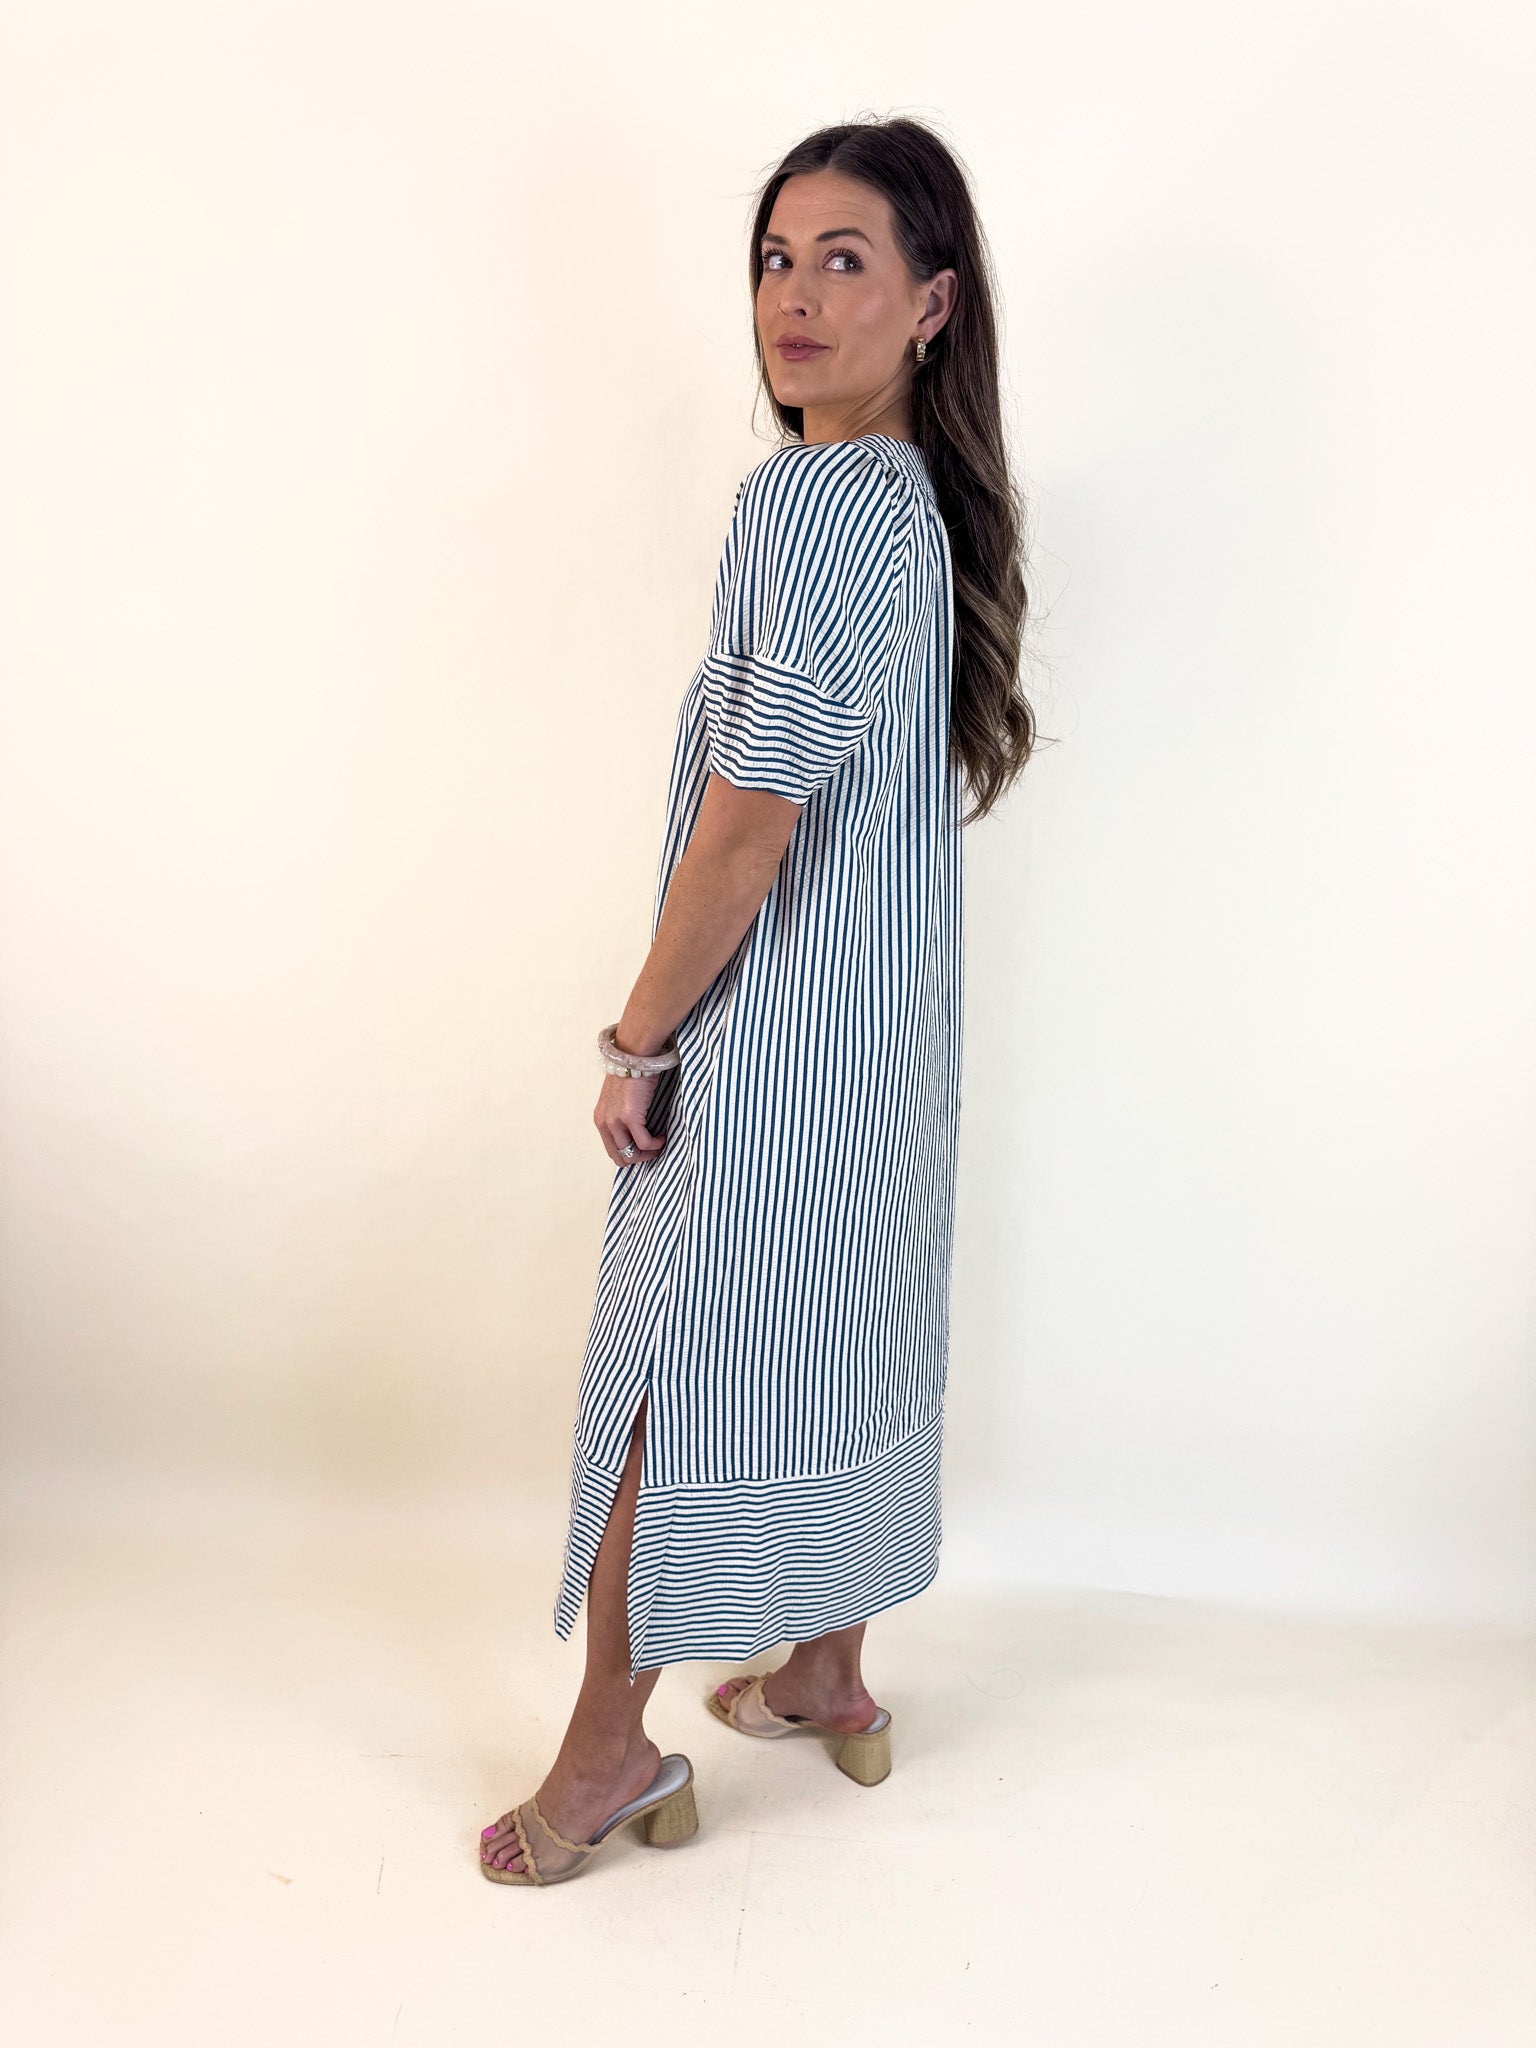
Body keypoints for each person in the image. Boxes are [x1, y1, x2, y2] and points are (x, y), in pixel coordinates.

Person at [481, 114, 1035, 1886]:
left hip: (774, 1046)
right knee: (854, 1342)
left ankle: (605, 1759)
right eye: (776, 260)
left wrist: (639, 1037)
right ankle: (829, 1679)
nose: (793, 296)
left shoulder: (805, 504)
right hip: (894, 1054)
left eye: (844, 260)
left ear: (932, 304)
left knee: (667, 1381)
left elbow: (748, 824)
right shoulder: (917, 514)